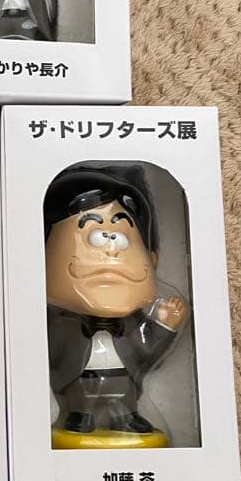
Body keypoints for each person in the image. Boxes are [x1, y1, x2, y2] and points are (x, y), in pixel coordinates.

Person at [43, 165, 187, 448]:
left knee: (124, 399)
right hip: (78, 384)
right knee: (80, 399)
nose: (110, 249)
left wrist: (163, 325)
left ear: (152, 261)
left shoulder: (134, 326)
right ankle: (79, 414)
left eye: (121, 236)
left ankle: (126, 416)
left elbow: (145, 353)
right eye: (93, 234)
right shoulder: (59, 325)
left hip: (124, 386)